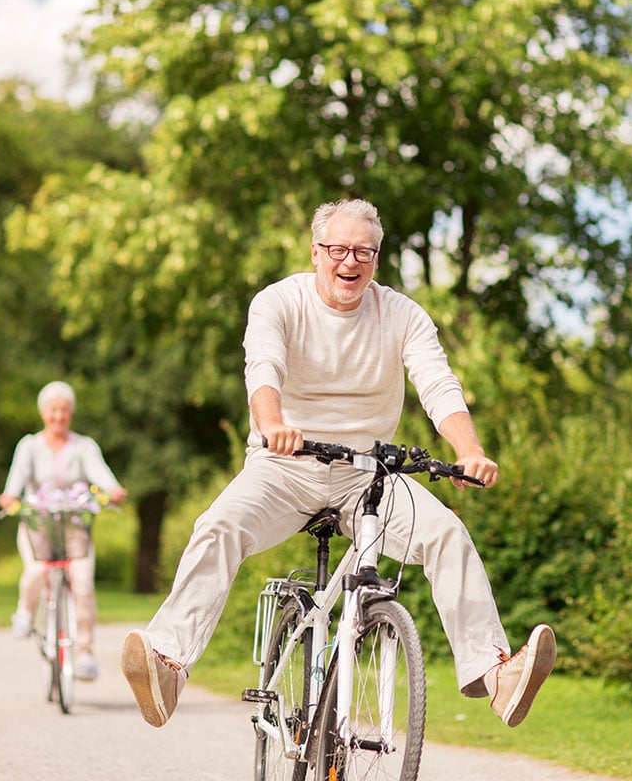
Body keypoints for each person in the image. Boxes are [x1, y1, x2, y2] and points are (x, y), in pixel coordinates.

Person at [121, 199, 556, 729]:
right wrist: (273, 423)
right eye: (339, 250)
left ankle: (496, 675)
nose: (350, 262)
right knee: (218, 526)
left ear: (377, 259)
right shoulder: (279, 302)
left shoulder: (402, 314)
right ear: (316, 252)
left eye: (364, 253)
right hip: (284, 465)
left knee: (447, 533)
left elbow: (437, 384)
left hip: (368, 474)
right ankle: (168, 665)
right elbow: (263, 367)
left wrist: (470, 451)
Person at [0, 380, 127, 681]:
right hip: (38, 525)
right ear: (44, 413)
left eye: (64, 410)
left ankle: (84, 654)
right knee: (36, 571)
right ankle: (25, 612)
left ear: (71, 413)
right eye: (53, 410)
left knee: (82, 584)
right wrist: (9, 496)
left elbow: (100, 472)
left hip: (74, 527)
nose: (59, 416)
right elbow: (15, 481)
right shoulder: (29, 446)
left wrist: (112, 489)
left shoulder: (83, 446)